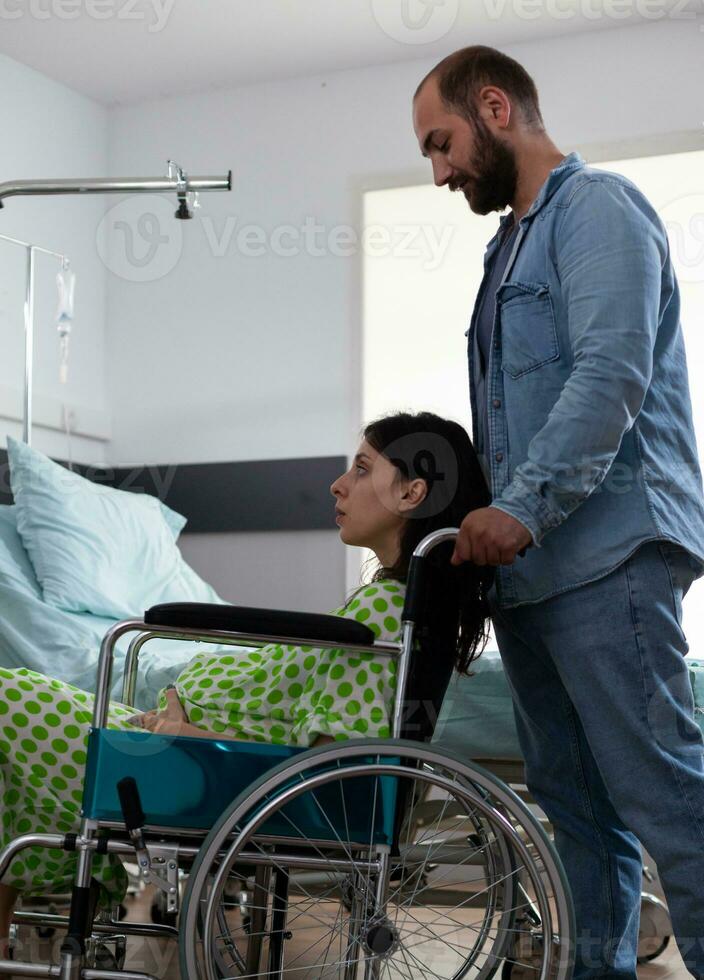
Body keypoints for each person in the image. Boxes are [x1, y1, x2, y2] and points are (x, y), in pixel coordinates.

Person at [413, 45, 704, 980]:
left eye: (442, 142)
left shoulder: (599, 211)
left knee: (667, 800)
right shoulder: (507, 252)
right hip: (532, 578)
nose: (439, 171)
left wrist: (526, 509)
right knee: (577, 815)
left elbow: (609, 374)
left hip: (608, 558)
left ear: (495, 107)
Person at [0, 410, 491, 950]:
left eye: (360, 468)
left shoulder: (380, 612)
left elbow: (330, 764)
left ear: (410, 493)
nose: (338, 484)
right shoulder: (392, 608)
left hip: (199, 773)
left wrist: (191, 740)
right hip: (188, 752)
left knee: (9, 698)